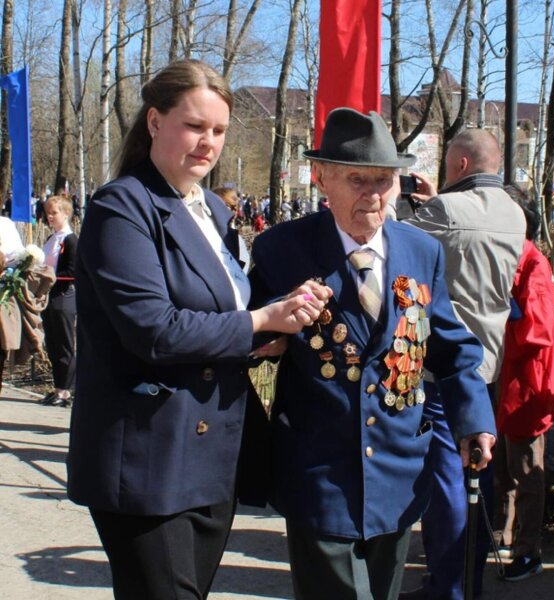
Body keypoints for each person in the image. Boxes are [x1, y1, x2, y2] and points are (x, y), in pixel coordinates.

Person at [66, 59, 325, 600]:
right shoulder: (122, 206)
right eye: (194, 126)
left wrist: (277, 317)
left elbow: (219, 310)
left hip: (212, 452)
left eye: (219, 130)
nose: (208, 143)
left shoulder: (210, 208)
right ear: (155, 122)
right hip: (147, 455)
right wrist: (258, 320)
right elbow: (154, 331)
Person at [248, 107, 497, 600]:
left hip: (397, 474)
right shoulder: (283, 248)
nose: (374, 194)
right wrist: (273, 323)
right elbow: (249, 333)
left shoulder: (419, 251)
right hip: (319, 473)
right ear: (321, 179)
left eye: (385, 180)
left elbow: (451, 347)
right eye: (357, 179)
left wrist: (475, 420)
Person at [398, 128, 527, 598]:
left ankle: (447, 585)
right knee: (478, 470)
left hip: (444, 364)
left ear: (460, 166)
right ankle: (465, 578)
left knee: (446, 481)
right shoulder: (513, 213)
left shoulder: (447, 211)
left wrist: (399, 195)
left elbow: (392, 240)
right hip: (488, 359)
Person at [493, 186, 554, 582]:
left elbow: (535, 332)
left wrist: (500, 311)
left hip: (526, 385)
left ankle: (528, 549)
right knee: (501, 466)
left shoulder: (534, 266)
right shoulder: (508, 259)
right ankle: (501, 533)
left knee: (524, 470)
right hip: (505, 380)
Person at [40, 195, 78, 408]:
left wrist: (51, 276)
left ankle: (66, 391)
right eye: (48, 213)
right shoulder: (51, 239)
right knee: (52, 345)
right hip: (49, 296)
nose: (50, 217)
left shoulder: (70, 240)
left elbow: (72, 271)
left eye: (54, 213)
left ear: (66, 213)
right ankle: (57, 388)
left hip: (64, 296)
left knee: (64, 345)